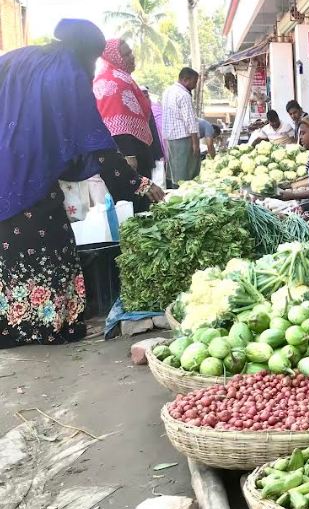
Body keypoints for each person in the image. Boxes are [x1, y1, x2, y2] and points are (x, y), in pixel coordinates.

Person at [0, 19, 165, 348]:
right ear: (85, 52)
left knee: (11, 246)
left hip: (8, 158)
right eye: (93, 59)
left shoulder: (26, 58)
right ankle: (48, 326)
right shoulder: (68, 72)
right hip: (26, 170)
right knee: (52, 241)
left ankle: (18, 325)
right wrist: (138, 185)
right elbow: (97, 143)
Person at [94, 39, 156, 183]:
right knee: (135, 200)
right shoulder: (115, 81)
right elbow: (118, 124)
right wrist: (129, 155)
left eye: (131, 52)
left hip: (126, 153)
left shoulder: (119, 77)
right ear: (114, 57)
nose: (132, 57)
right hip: (126, 156)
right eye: (126, 54)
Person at [161, 67, 200, 183]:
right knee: (185, 173)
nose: (195, 85)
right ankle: (183, 194)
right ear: (185, 79)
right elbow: (190, 120)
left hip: (170, 137)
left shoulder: (167, 91)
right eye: (194, 81)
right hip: (183, 138)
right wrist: (195, 144)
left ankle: (175, 192)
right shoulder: (183, 95)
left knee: (175, 170)